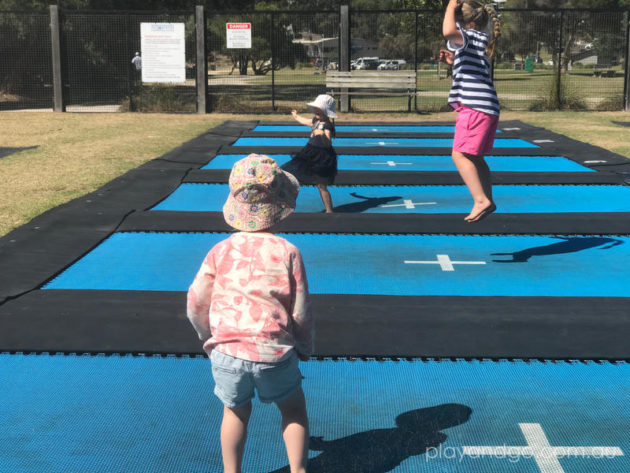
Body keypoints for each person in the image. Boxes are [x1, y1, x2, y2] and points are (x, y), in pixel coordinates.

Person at [187, 154, 314, 473]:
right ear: (280, 206)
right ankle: (298, 469)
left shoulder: (220, 251)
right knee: (293, 410)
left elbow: (196, 302)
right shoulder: (287, 252)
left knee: (235, 411)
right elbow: (300, 310)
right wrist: (304, 346)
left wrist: (207, 335)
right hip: (273, 352)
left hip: (227, 351)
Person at [440, 0, 501, 222]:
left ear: (467, 23)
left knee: (459, 154)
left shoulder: (467, 35)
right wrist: (453, 61)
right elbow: (470, 65)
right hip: (488, 107)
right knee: (475, 156)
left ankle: (480, 200)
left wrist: (450, 5)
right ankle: (488, 199)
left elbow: (448, 31)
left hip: (474, 107)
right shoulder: (479, 39)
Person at [282, 94, 338, 213]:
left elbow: (328, 143)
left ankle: (329, 211)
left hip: (323, 156)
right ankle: (284, 200)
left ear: (326, 112)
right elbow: (306, 121)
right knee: (291, 172)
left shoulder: (327, 125)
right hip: (310, 152)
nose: (317, 111)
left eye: (320, 109)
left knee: (321, 185)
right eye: (316, 108)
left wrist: (322, 134)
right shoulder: (315, 120)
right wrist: (296, 116)